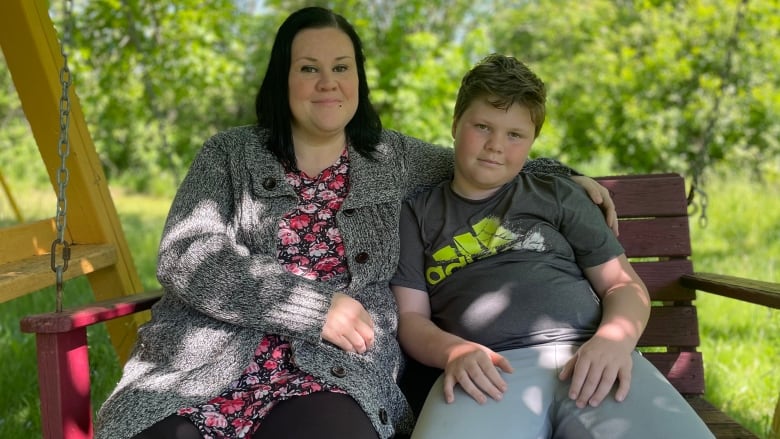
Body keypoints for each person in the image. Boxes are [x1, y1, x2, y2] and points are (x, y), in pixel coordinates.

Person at [95, 8, 617, 439]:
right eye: (309, 68)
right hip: (206, 363)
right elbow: (186, 256)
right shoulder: (230, 156)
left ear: (359, 80)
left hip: (335, 372)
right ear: (283, 77)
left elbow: (481, 158)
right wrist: (313, 307)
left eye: (342, 68)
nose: (328, 84)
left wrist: (563, 175)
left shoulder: (393, 159)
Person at [390, 54, 715, 438]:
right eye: (482, 126)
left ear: (531, 143)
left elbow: (622, 285)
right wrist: (454, 352)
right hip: (487, 370)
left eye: (515, 135)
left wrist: (614, 342)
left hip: (590, 356)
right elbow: (412, 319)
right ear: (455, 125)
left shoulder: (556, 195)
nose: (496, 145)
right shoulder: (418, 214)